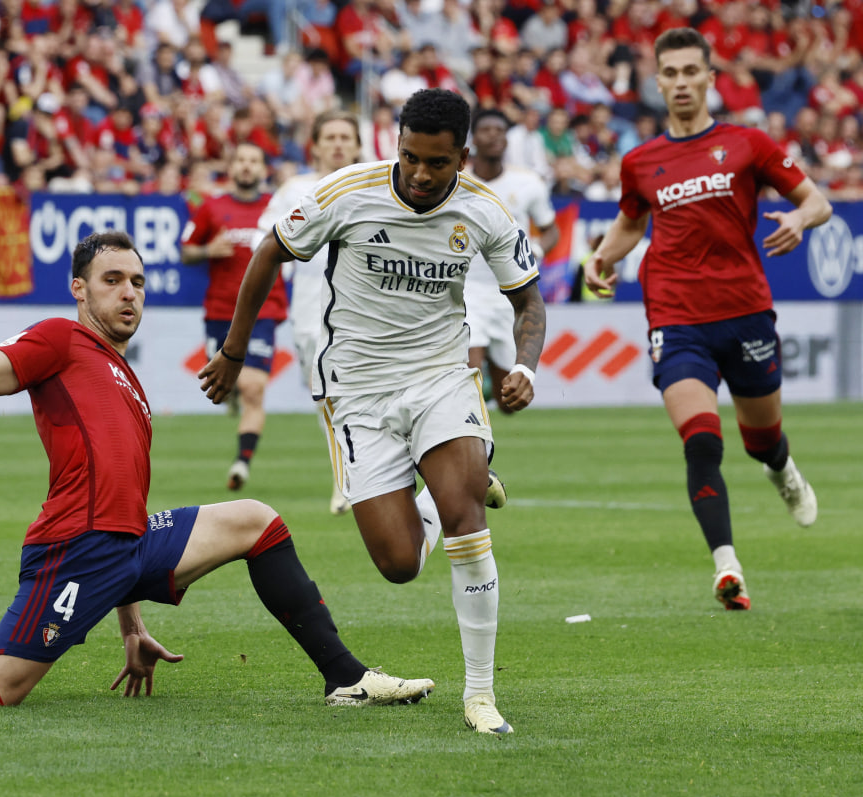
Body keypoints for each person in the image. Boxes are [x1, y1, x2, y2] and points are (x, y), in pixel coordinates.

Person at [0, 231, 435, 710]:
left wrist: (132, 622)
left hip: (127, 545)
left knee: (256, 521)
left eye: (138, 282)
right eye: (112, 280)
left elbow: (123, 494)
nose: (128, 292)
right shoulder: (59, 341)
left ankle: (344, 677)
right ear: (79, 289)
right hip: (74, 549)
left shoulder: (127, 376)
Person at [200, 88, 547, 734]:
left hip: (442, 376)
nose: (419, 173)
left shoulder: (486, 212)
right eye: (410, 156)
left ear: (462, 157)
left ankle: (480, 694)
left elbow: (530, 302)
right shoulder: (346, 192)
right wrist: (233, 352)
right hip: (356, 389)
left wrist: (523, 366)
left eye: (437, 163)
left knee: (467, 519)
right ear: (396, 144)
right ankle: (442, 495)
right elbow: (268, 252)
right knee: (398, 564)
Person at [585, 28, 830, 612]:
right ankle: (727, 566)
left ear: (710, 78)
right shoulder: (641, 161)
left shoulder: (748, 143)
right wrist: (600, 256)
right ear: (658, 81)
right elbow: (630, 223)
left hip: (744, 310)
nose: (680, 83)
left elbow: (814, 200)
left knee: (761, 439)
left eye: (691, 71)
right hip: (675, 316)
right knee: (701, 440)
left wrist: (801, 222)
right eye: (669, 73)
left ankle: (782, 469)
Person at [256, 110, 361, 515]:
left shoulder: (373, 185)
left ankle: (351, 480)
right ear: (314, 145)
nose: (337, 144)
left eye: (344, 137)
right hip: (309, 313)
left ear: (356, 146)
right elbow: (265, 238)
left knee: (355, 394)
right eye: (329, 136)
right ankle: (348, 475)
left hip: (365, 311)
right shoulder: (295, 188)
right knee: (326, 398)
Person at [182, 142, 284, 492]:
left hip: (263, 310)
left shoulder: (278, 207)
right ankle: (234, 399)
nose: (246, 166)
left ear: (262, 169)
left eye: (253, 160)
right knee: (225, 389)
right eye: (240, 159)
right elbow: (186, 250)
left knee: (253, 388)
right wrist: (207, 250)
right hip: (221, 311)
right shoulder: (211, 207)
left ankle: (242, 463)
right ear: (231, 165)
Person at [466, 107, 558, 413]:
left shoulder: (528, 183)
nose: (494, 136)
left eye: (500, 130)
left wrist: (539, 249)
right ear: (473, 139)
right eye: (486, 130)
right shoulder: (455, 182)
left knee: (510, 402)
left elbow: (550, 229)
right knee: (468, 378)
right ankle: (470, 440)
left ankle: (493, 376)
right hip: (465, 290)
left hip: (509, 293)